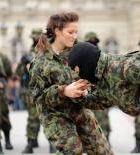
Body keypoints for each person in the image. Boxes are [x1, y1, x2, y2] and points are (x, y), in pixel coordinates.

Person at [29, 12, 113, 155]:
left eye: (76, 32)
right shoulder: (41, 61)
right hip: (55, 115)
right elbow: (37, 97)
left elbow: (96, 78)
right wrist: (63, 91)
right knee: (72, 151)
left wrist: (87, 91)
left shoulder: (80, 52)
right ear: (57, 31)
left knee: (103, 151)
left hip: (80, 110)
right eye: (70, 32)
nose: (74, 36)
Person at [16, 28, 42, 153]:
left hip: (48, 89)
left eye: (37, 38)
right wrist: (23, 64)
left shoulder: (50, 51)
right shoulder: (28, 52)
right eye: (34, 38)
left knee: (52, 117)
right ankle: (31, 142)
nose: (35, 40)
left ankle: (53, 145)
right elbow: (19, 74)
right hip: (33, 90)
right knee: (32, 118)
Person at [84, 31, 111, 141]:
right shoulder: (82, 56)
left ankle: (105, 139)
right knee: (88, 118)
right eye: (89, 42)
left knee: (103, 118)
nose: (92, 44)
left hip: (102, 91)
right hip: (88, 91)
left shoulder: (103, 56)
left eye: (94, 42)